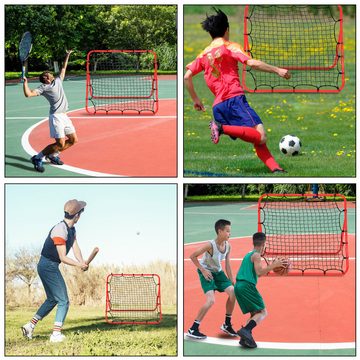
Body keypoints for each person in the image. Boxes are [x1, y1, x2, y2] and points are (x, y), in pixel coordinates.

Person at [184, 8, 291, 173]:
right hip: (234, 100)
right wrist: (277, 70)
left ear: (210, 33)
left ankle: (275, 168)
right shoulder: (230, 47)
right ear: (227, 30)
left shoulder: (203, 54)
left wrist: (196, 100)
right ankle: (220, 128)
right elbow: (252, 63)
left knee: (258, 137)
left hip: (218, 106)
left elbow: (187, 76)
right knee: (261, 135)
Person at [21, 199, 88, 343]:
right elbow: (63, 257)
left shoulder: (71, 230)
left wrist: (82, 262)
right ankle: (56, 335)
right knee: (63, 300)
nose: (81, 216)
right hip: (48, 266)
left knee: (52, 299)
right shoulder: (60, 230)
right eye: (81, 213)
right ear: (77, 215)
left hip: (49, 265)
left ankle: (29, 326)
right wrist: (78, 265)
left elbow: (75, 248)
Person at [23, 50, 77, 173]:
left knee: (73, 140)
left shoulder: (57, 80)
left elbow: (64, 68)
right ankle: (37, 158)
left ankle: (52, 155)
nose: (52, 74)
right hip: (56, 116)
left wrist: (67, 55)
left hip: (64, 115)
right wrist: (25, 83)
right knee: (61, 143)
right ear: (46, 78)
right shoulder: (43, 87)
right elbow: (28, 94)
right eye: (49, 73)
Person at [187, 219, 237, 340]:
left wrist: (232, 280)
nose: (229, 234)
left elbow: (228, 265)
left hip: (218, 273)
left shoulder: (228, 246)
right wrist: (203, 270)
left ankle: (227, 324)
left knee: (233, 293)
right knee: (211, 301)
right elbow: (192, 256)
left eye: (230, 231)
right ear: (220, 231)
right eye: (227, 231)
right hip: (207, 272)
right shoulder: (210, 245)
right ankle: (193, 328)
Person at [234, 232, 287, 348]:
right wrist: (274, 265)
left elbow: (258, 273)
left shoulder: (249, 254)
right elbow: (259, 272)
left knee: (254, 313)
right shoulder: (257, 255)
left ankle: (245, 339)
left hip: (238, 286)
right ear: (263, 244)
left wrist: (272, 265)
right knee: (263, 312)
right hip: (247, 286)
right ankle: (246, 330)